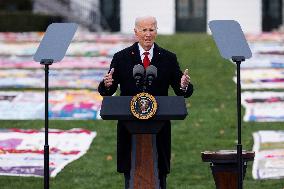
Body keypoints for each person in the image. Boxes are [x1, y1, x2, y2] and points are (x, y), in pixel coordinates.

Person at [98, 16, 193, 189]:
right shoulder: (121, 58)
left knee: (159, 175)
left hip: (159, 129)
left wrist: (184, 85)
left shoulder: (168, 58)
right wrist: (106, 84)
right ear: (136, 32)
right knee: (131, 175)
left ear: (156, 31)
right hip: (129, 128)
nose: (147, 34)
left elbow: (181, 90)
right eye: (144, 30)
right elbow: (108, 90)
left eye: (151, 30)